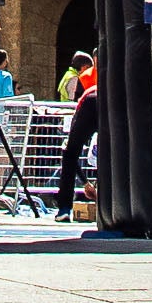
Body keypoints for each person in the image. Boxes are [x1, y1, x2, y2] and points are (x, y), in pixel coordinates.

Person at [54, 50, 100, 217]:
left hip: (90, 105)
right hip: (93, 105)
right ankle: (66, 207)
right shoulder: (86, 77)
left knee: (70, 152)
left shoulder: (86, 76)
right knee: (71, 152)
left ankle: (64, 208)